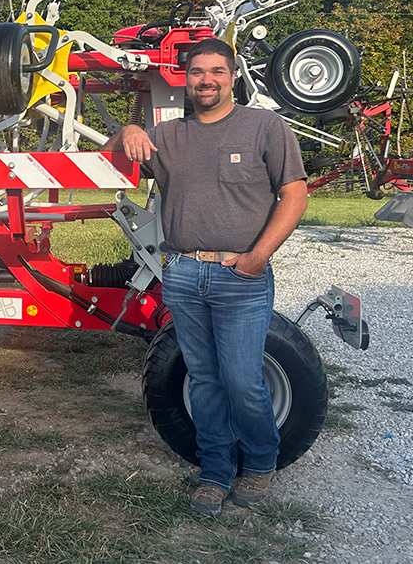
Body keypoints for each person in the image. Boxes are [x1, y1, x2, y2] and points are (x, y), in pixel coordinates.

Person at [104, 37, 308, 517]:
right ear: (186, 78)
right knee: (205, 380)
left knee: (242, 380)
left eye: (217, 71)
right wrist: (129, 129)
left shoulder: (264, 126)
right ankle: (215, 474)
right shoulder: (170, 135)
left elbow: (294, 195)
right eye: (198, 72)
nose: (207, 80)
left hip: (240, 275)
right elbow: (113, 156)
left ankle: (260, 463)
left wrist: (258, 256)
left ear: (232, 75)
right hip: (182, 273)